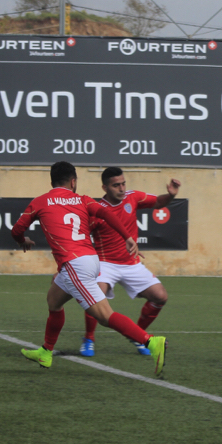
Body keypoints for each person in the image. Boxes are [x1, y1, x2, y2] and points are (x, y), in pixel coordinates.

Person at [11, 161, 166, 378]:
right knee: (53, 302)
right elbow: (107, 214)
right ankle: (45, 352)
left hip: (75, 264)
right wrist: (127, 237)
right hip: (89, 260)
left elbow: (16, 229)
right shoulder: (83, 199)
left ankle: (150, 342)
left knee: (104, 315)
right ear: (73, 181)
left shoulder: (40, 202)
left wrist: (22, 240)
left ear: (52, 181)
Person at [79, 167, 181, 358]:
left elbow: (158, 202)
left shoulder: (133, 198)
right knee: (95, 297)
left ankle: (139, 336)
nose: (121, 188)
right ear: (105, 187)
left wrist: (170, 195)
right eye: (116, 185)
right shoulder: (96, 210)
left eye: (123, 183)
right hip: (104, 264)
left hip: (131, 263)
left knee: (160, 296)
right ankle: (89, 338)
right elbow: (81, 238)